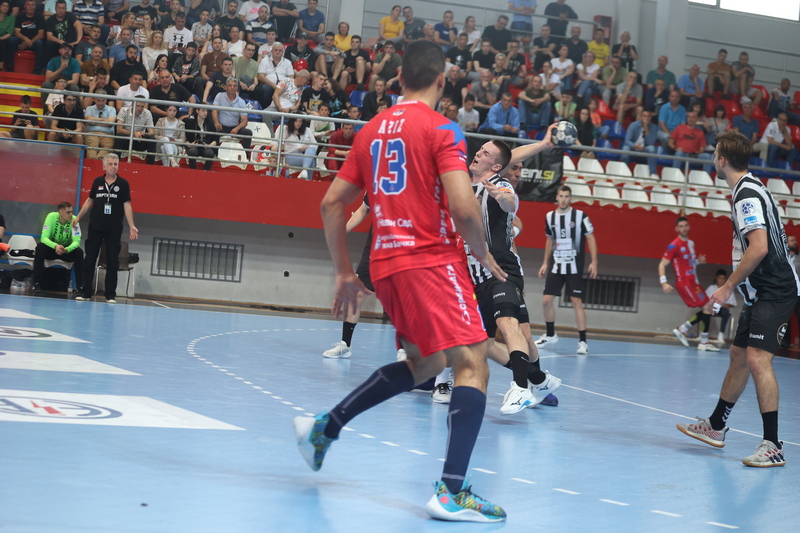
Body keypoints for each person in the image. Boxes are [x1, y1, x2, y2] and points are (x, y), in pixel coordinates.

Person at [294, 39, 507, 523]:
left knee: (426, 363)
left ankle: (326, 428)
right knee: (473, 362)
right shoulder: (441, 128)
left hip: (386, 265)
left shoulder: (370, 131)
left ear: (400, 79)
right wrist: (481, 250)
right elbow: (463, 208)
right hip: (431, 261)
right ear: (442, 80)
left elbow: (331, 204)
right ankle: (453, 491)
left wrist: (344, 272)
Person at [676, 130, 800, 467]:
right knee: (738, 355)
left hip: (775, 290)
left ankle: (773, 445)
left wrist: (727, 287)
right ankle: (716, 425)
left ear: (721, 160)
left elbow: (759, 248)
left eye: (714, 154)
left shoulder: (746, 195)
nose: (713, 159)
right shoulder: (751, 187)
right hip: (760, 291)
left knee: (757, 359)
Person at [534, 185, 598, 355]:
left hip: (574, 266)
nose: (563, 199)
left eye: (566, 196)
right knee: (546, 301)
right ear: (556, 197)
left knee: (576, 302)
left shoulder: (580, 216)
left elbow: (591, 237)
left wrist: (594, 262)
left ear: (571, 198)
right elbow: (549, 240)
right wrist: (545, 263)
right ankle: (550, 334)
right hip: (556, 265)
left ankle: (583, 342)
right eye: (561, 196)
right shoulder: (550, 216)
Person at [73, 153, 138, 303]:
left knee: (112, 261)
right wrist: (78, 217)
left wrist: (132, 225)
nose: (113, 166)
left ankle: (110, 295)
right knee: (90, 259)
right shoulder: (97, 182)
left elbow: (127, 205)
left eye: (115, 164)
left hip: (114, 228)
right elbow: (89, 201)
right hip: (96, 226)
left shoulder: (123, 184)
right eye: (110, 164)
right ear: (104, 167)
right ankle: (85, 292)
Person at [658, 216, 719, 352]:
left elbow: (688, 263)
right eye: (681, 226)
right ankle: (702, 340)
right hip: (684, 283)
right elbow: (662, 264)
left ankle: (685, 331)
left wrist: (698, 262)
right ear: (676, 229)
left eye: (686, 225)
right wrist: (664, 282)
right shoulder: (674, 245)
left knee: (708, 307)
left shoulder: (691, 243)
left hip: (693, 282)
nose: (684, 228)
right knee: (707, 307)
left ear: (689, 227)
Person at [31, 202, 84, 293]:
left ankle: (80, 287)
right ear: (60, 212)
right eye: (68, 212)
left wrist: (67, 249)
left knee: (79, 252)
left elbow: (77, 241)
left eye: (71, 212)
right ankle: (36, 283)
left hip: (66, 250)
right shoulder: (51, 217)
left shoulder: (74, 220)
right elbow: (44, 238)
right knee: (40, 248)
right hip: (52, 248)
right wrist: (55, 246)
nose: (71, 214)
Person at [212, 76, 252, 150]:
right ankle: (214, 153)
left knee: (248, 133)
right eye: (230, 85)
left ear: (237, 88)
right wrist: (216, 122)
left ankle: (244, 154)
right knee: (213, 128)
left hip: (235, 127)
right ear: (226, 87)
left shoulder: (241, 101)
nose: (232, 87)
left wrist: (237, 128)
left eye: (234, 86)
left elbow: (245, 120)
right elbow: (214, 111)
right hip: (221, 126)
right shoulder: (219, 96)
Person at [115, 96, 156, 164]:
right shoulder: (124, 110)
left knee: (152, 139)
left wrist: (143, 134)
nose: (139, 109)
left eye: (142, 106)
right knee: (119, 136)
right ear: (132, 104)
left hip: (139, 139)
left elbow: (152, 132)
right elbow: (119, 129)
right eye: (137, 106)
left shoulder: (147, 113)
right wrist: (134, 133)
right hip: (126, 139)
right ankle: (115, 163)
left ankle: (150, 166)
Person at [621, 109, 658, 175]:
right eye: (644, 116)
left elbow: (650, 143)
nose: (646, 118)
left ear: (651, 118)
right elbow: (627, 140)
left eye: (648, 116)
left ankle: (652, 173)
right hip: (633, 147)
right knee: (625, 149)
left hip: (644, 149)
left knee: (652, 149)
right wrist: (635, 146)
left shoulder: (654, 127)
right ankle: (624, 171)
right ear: (641, 116)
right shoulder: (633, 125)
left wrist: (646, 128)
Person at [256, 41, 292, 108]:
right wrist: (273, 85)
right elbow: (260, 76)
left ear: (283, 52)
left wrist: (282, 86)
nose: (278, 52)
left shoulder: (287, 62)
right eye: (276, 50)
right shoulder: (264, 61)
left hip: (283, 87)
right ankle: (266, 108)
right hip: (268, 85)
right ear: (271, 51)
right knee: (266, 88)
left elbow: (291, 77)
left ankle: (283, 108)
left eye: (280, 50)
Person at [83, 89, 117, 159]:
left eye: (103, 100)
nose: (101, 103)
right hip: (92, 133)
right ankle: (93, 161)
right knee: (91, 146)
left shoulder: (112, 109)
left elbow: (111, 122)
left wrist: (94, 121)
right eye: (98, 100)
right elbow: (88, 120)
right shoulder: (89, 108)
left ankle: (98, 161)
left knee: (109, 146)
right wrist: (104, 120)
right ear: (94, 99)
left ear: (106, 100)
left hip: (107, 135)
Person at [706, 269, 737, 343]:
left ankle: (721, 335)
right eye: (720, 278)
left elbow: (734, 303)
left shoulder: (728, 289)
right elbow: (705, 300)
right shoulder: (711, 288)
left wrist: (723, 305)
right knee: (704, 312)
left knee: (726, 312)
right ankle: (703, 334)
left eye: (723, 278)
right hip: (711, 308)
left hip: (722, 309)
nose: (721, 281)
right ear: (717, 278)